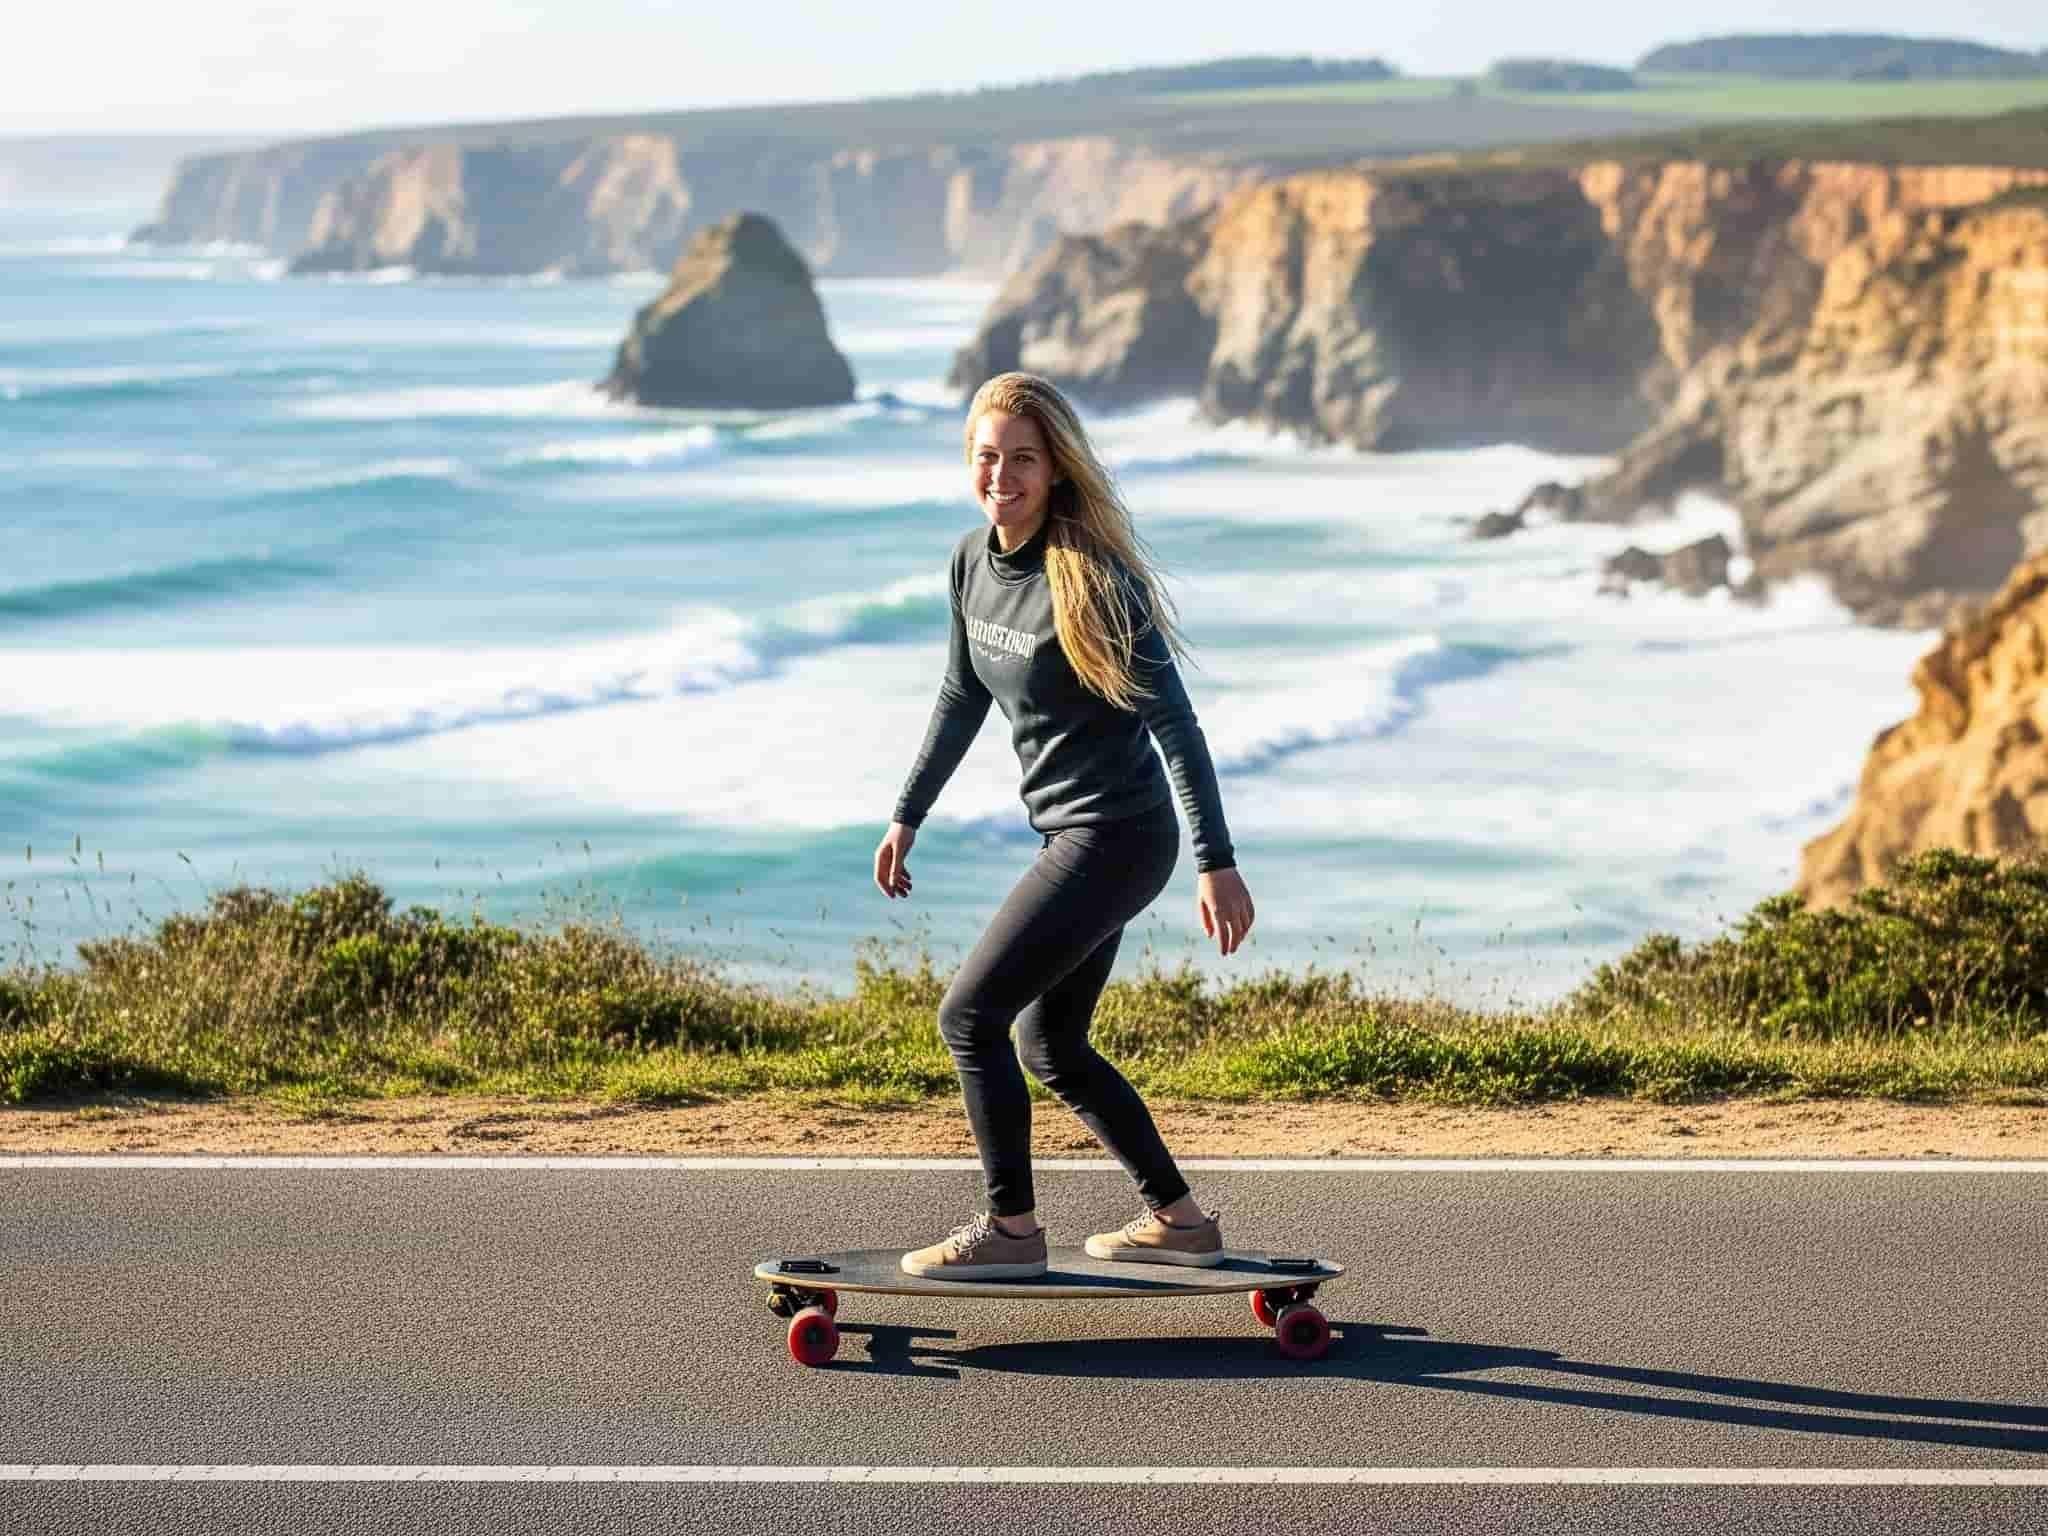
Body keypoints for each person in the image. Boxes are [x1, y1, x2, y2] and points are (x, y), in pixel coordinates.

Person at [876, 371, 1256, 1280]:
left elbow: (1177, 725)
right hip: (1073, 836)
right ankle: (1183, 1221)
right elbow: (961, 693)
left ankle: (1011, 1235)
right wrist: (907, 814)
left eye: (1022, 459)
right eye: (987, 457)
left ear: (1055, 469)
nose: (1001, 475)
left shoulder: (1094, 583)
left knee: (970, 1017)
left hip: (1118, 836)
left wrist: (1218, 862)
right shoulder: (972, 561)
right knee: (1048, 1045)